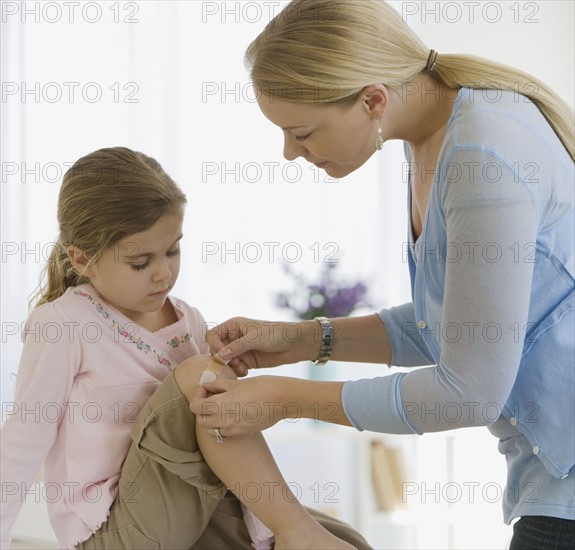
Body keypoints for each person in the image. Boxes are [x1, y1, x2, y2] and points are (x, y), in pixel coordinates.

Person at [191, 0, 575, 548]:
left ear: (373, 99)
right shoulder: (431, 139)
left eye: (301, 132)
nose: (289, 153)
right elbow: (450, 324)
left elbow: (469, 392)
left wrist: (287, 399)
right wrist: (305, 339)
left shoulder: (482, 153)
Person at [0, 146, 370, 550]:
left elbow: (225, 440)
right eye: (140, 262)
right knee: (200, 377)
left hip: (194, 512)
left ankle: (287, 532)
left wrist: (266, 532)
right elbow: (23, 440)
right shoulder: (63, 324)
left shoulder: (187, 319)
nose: (163, 273)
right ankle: (291, 530)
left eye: (173, 250)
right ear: (83, 259)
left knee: (345, 539)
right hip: (117, 529)